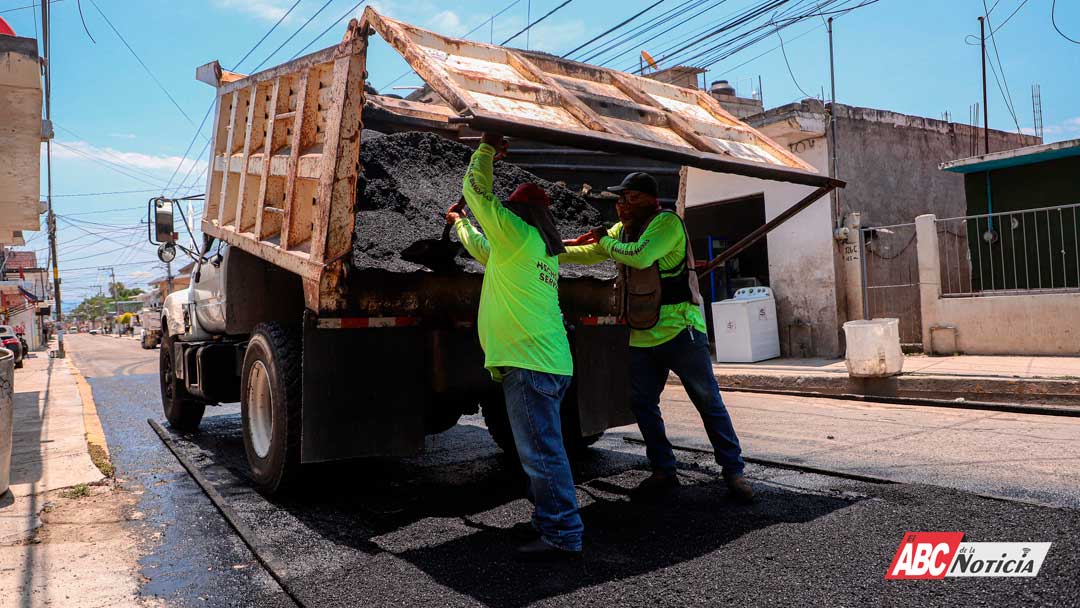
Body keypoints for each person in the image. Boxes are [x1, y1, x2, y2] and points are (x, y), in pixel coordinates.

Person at [560, 172, 754, 503]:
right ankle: (664, 469)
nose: (621, 205)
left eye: (629, 198)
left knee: (707, 401)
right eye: (620, 200)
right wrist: (550, 250)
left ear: (650, 200)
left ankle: (733, 470)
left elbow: (638, 256)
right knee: (642, 403)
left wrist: (603, 240)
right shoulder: (623, 231)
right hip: (642, 334)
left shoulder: (666, 224)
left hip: (682, 330)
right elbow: (592, 253)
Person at [448, 133, 583, 561]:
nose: (501, 212)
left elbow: (475, 190)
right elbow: (483, 250)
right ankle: (550, 520)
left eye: (509, 207)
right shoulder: (537, 249)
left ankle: (563, 533)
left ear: (519, 212)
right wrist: (460, 224)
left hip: (530, 364)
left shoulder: (518, 232)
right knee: (545, 449)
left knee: (542, 454)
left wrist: (486, 149)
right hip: (550, 362)